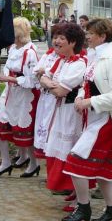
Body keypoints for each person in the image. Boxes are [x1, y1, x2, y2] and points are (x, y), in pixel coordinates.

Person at [61, 18, 112, 221]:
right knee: (103, 170)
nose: (86, 36)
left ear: (102, 36)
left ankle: (83, 207)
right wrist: (79, 97)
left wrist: (89, 102)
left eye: (90, 33)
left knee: (74, 162)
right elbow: (86, 83)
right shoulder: (95, 56)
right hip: (96, 117)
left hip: (110, 119)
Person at [0, 17, 41, 177]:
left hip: (25, 97)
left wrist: (11, 79)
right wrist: (7, 77)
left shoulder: (30, 52)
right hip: (10, 94)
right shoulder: (13, 48)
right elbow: (7, 67)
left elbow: (32, 81)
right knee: (0, 127)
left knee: (25, 131)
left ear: (18, 34)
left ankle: (33, 163)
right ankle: (5, 162)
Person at [41, 23, 88, 194]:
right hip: (60, 110)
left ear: (73, 42)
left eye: (62, 38)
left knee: (70, 148)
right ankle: (69, 189)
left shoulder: (79, 64)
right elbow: (43, 77)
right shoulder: (61, 61)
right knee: (58, 146)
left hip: (72, 113)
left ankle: (75, 192)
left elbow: (61, 91)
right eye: (55, 37)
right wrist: (48, 83)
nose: (56, 41)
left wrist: (50, 86)